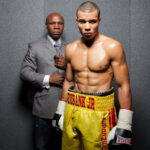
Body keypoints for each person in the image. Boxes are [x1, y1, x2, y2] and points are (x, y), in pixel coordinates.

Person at [53, 1, 133, 150]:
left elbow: (123, 85)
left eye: (92, 21)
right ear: (77, 21)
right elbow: (68, 81)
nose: (87, 26)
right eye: (82, 21)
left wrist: (125, 124)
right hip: (73, 108)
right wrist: (60, 111)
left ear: (99, 21)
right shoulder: (70, 48)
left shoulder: (112, 47)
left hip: (99, 112)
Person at [20, 12, 66, 150]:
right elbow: (25, 73)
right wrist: (48, 79)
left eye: (60, 23)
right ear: (46, 25)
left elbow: (81, 74)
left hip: (68, 109)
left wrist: (67, 67)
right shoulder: (35, 46)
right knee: (42, 147)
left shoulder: (72, 48)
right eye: (53, 23)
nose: (57, 26)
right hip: (43, 109)